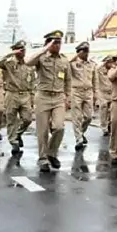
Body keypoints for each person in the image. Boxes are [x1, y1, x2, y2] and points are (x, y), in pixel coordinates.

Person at [26, 30, 71, 173]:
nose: (57, 45)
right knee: (42, 130)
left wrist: (68, 96)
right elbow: (28, 62)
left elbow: (68, 80)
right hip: (43, 96)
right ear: (48, 43)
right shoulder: (41, 57)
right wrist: (44, 50)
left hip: (58, 97)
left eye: (59, 42)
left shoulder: (64, 60)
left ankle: (51, 152)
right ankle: (43, 159)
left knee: (59, 127)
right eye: (54, 42)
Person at [0, 40, 35, 154]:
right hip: (12, 94)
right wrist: (11, 54)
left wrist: (32, 97)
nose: (23, 52)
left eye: (24, 50)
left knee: (27, 119)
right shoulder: (9, 63)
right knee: (11, 119)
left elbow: (32, 81)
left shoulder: (28, 64)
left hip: (25, 94)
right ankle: (13, 142)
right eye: (20, 50)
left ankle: (18, 133)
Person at [69, 41, 97, 150]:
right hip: (76, 92)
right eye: (84, 51)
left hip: (88, 92)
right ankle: (78, 139)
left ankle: (81, 132)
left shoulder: (91, 64)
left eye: (87, 51)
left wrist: (96, 94)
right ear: (79, 52)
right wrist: (77, 56)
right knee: (77, 117)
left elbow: (95, 80)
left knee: (89, 117)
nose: (87, 53)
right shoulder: (73, 63)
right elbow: (65, 64)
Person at [96, 55, 115, 137]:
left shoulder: (113, 70)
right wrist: (103, 63)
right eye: (109, 62)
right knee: (103, 109)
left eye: (111, 62)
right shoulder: (100, 69)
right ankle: (104, 128)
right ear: (106, 62)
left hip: (111, 92)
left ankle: (110, 124)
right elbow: (96, 68)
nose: (111, 64)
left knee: (112, 110)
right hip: (102, 92)